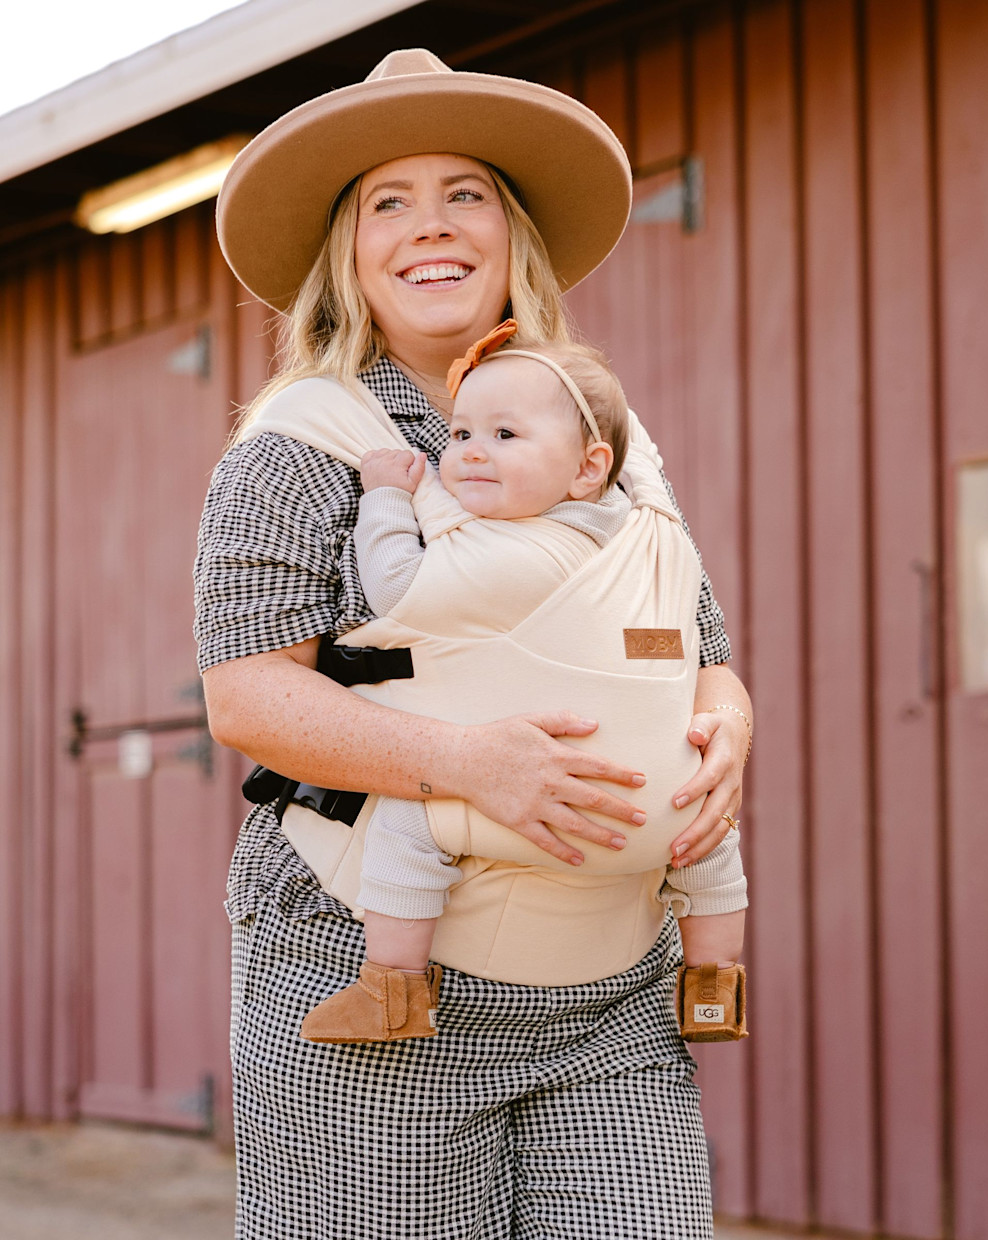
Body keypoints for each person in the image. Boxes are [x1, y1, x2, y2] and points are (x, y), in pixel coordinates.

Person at [198, 48, 752, 1239]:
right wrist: (469, 764)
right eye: (388, 202)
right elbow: (246, 698)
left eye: (466, 194)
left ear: (512, 236)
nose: (431, 224)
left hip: (610, 990)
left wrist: (728, 732)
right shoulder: (299, 443)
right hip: (373, 962)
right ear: (349, 252)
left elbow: (699, 647)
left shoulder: (610, 440)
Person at [277, 327, 748, 1044]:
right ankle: (714, 988)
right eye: (460, 432)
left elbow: (395, 584)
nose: (470, 451)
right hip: (669, 818)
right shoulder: (651, 535)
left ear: (587, 468)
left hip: (544, 813)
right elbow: (700, 645)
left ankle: (392, 987)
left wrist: (388, 498)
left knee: (405, 826)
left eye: (503, 435)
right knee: (714, 852)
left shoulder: (502, 557)